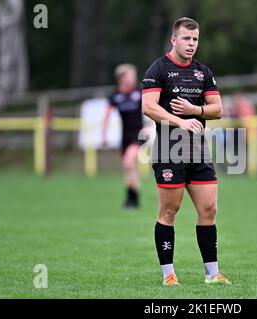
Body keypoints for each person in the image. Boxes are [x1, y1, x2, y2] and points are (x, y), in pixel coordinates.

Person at [141, 17, 231, 286]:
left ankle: (212, 274)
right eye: (186, 39)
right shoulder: (158, 69)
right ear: (174, 40)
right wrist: (180, 120)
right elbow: (148, 106)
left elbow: (218, 109)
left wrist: (196, 111)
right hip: (170, 149)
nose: (191, 44)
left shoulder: (203, 72)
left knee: (209, 208)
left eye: (195, 39)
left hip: (198, 149)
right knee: (170, 211)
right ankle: (168, 274)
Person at [102, 64, 143, 209]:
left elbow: (152, 107)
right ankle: (133, 199)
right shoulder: (116, 95)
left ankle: (132, 198)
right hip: (124, 136)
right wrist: (104, 134)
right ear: (122, 77)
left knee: (128, 162)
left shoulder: (139, 92)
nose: (134, 78)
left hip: (139, 134)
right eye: (131, 75)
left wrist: (150, 124)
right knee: (130, 169)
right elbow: (106, 115)